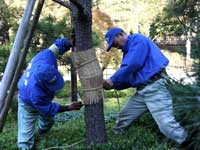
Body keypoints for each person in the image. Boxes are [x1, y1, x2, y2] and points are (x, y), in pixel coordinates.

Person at [103, 27, 192, 148]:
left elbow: (132, 64)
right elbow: (130, 78)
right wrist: (113, 85)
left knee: (166, 125)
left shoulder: (138, 40)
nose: (115, 47)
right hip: (142, 91)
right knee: (124, 116)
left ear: (120, 35)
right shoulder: (128, 51)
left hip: (155, 88)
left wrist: (112, 80)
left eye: (114, 43)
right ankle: (114, 139)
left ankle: (191, 144)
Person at [17, 38, 83, 150]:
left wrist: (69, 43)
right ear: (42, 83)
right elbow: (48, 108)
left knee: (48, 121)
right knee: (25, 132)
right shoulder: (36, 93)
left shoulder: (46, 56)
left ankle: (42, 132)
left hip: (39, 96)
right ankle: (25, 146)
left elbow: (57, 45)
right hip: (26, 102)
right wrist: (69, 107)